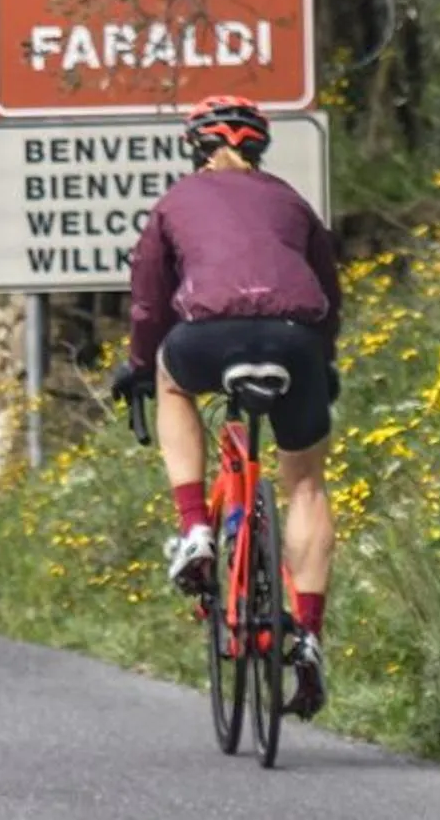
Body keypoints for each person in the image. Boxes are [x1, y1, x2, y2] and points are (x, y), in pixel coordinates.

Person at [114, 94, 341, 719]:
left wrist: (138, 365)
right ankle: (312, 635)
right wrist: (321, 364)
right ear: (260, 148)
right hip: (294, 341)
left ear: (196, 149)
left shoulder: (176, 202)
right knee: (306, 486)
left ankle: (195, 529)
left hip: (208, 337)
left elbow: (149, 303)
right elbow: (328, 290)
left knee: (170, 380)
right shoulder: (293, 202)